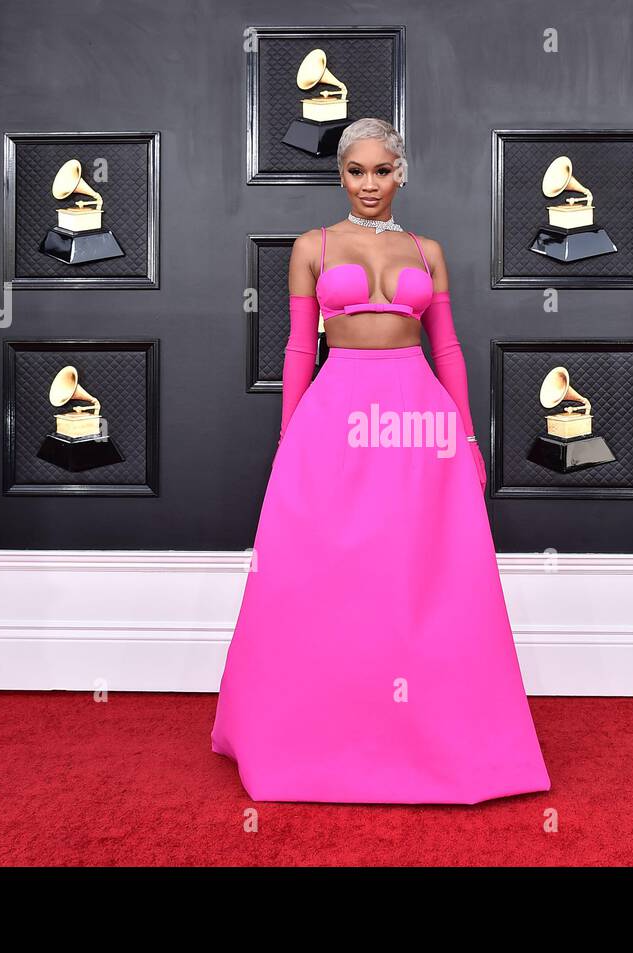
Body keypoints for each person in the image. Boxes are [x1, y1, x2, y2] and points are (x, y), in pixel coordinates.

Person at [210, 117, 550, 804]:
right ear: (341, 175)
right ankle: (311, 736)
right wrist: (287, 444)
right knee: (328, 574)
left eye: (381, 170)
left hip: (416, 417)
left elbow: (447, 349)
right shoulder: (312, 246)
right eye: (355, 171)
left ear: (402, 172)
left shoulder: (428, 250)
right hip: (335, 414)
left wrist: (468, 437)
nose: (369, 184)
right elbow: (300, 350)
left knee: (417, 574)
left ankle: (428, 736)